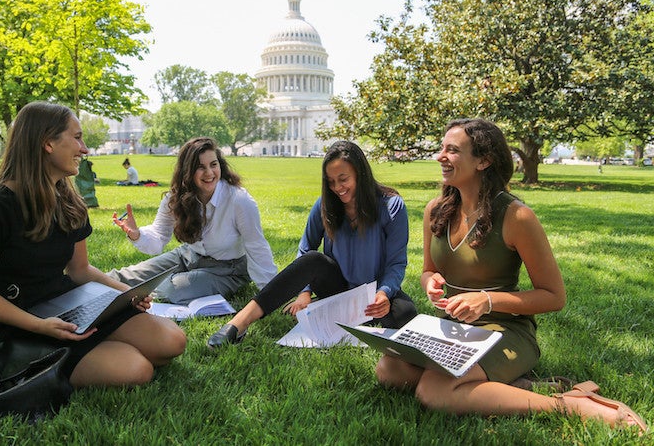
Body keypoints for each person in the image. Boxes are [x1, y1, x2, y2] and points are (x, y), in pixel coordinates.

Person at [374, 118, 647, 434]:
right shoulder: (436, 210)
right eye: (441, 148)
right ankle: (518, 386)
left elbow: (554, 296)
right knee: (390, 369)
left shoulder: (517, 216)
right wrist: (430, 284)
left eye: (452, 150)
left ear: (483, 160)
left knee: (434, 391)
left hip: (505, 329)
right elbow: (427, 272)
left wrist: (487, 301)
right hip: (452, 330)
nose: (440, 156)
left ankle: (571, 404)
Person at [0, 102, 186, 388]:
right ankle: (35, 358)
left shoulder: (69, 201)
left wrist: (128, 293)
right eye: (76, 137)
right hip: (20, 325)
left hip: (72, 307)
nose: (85, 148)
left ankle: (94, 350)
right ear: (47, 143)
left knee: (173, 341)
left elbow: (80, 271)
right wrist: (40, 326)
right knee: (137, 369)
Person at [207, 140, 418, 348]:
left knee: (405, 313)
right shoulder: (325, 205)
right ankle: (238, 324)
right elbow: (306, 248)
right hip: (337, 289)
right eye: (331, 181)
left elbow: (396, 263)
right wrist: (305, 291)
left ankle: (327, 311)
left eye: (343, 179)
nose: (337, 188)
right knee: (313, 259)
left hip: (372, 293)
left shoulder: (391, 206)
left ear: (360, 173)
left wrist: (384, 293)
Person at [107, 137, 278, 304]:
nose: (209, 173)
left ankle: (128, 295)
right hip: (187, 256)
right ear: (187, 171)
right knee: (130, 275)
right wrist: (137, 235)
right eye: (200, 167)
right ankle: (89, 287)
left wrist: (273, 293)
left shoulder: (239, 200)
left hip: (228, 270)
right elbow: (158, 237)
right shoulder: (175, 198)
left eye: (213, 164)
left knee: (172, 289)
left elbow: (257, 247)